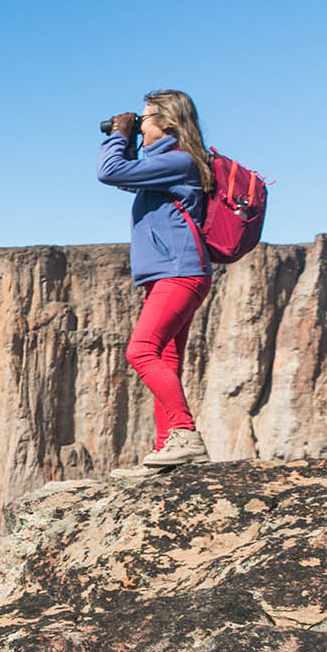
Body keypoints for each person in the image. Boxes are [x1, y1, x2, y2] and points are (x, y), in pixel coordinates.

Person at [97, 89, 215, 478]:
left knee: (141, 351)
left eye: (144, 119)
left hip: (180, 272)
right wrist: (129, 140)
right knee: (165, 358)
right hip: (169, 273)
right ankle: (167, 452)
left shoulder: (180, 161)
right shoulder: (168, 164)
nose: (139, 125)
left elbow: (109, 172)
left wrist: (117, 135)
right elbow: (127, 179)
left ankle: (184, 435)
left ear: (167, 123)